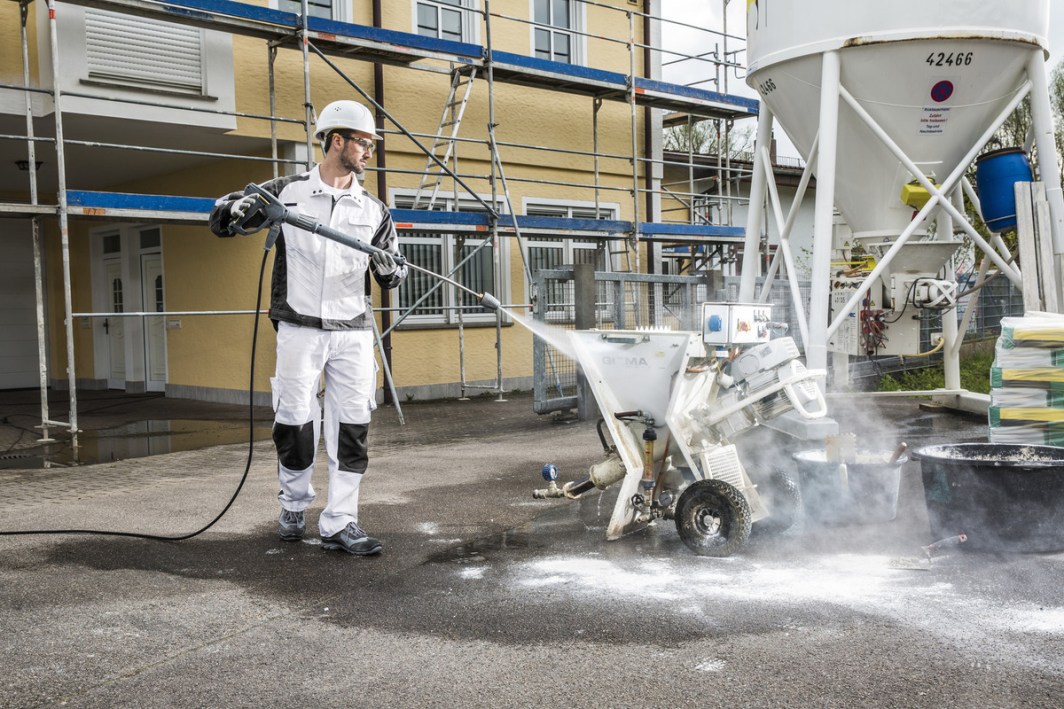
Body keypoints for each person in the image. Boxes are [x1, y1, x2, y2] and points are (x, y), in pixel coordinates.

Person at [209, 99, 407, 556]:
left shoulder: (373, 209)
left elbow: (392, 275)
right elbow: (221, 221)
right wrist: (236, 208)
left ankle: (341, 522)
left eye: (372, 143)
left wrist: (389, 268)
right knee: (295, 423)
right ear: (337, 140)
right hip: (299, 327)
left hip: (353, 331)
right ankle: (294, 504)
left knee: (352, 425)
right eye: (364, 142)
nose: (370, 151)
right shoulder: (286, 192)